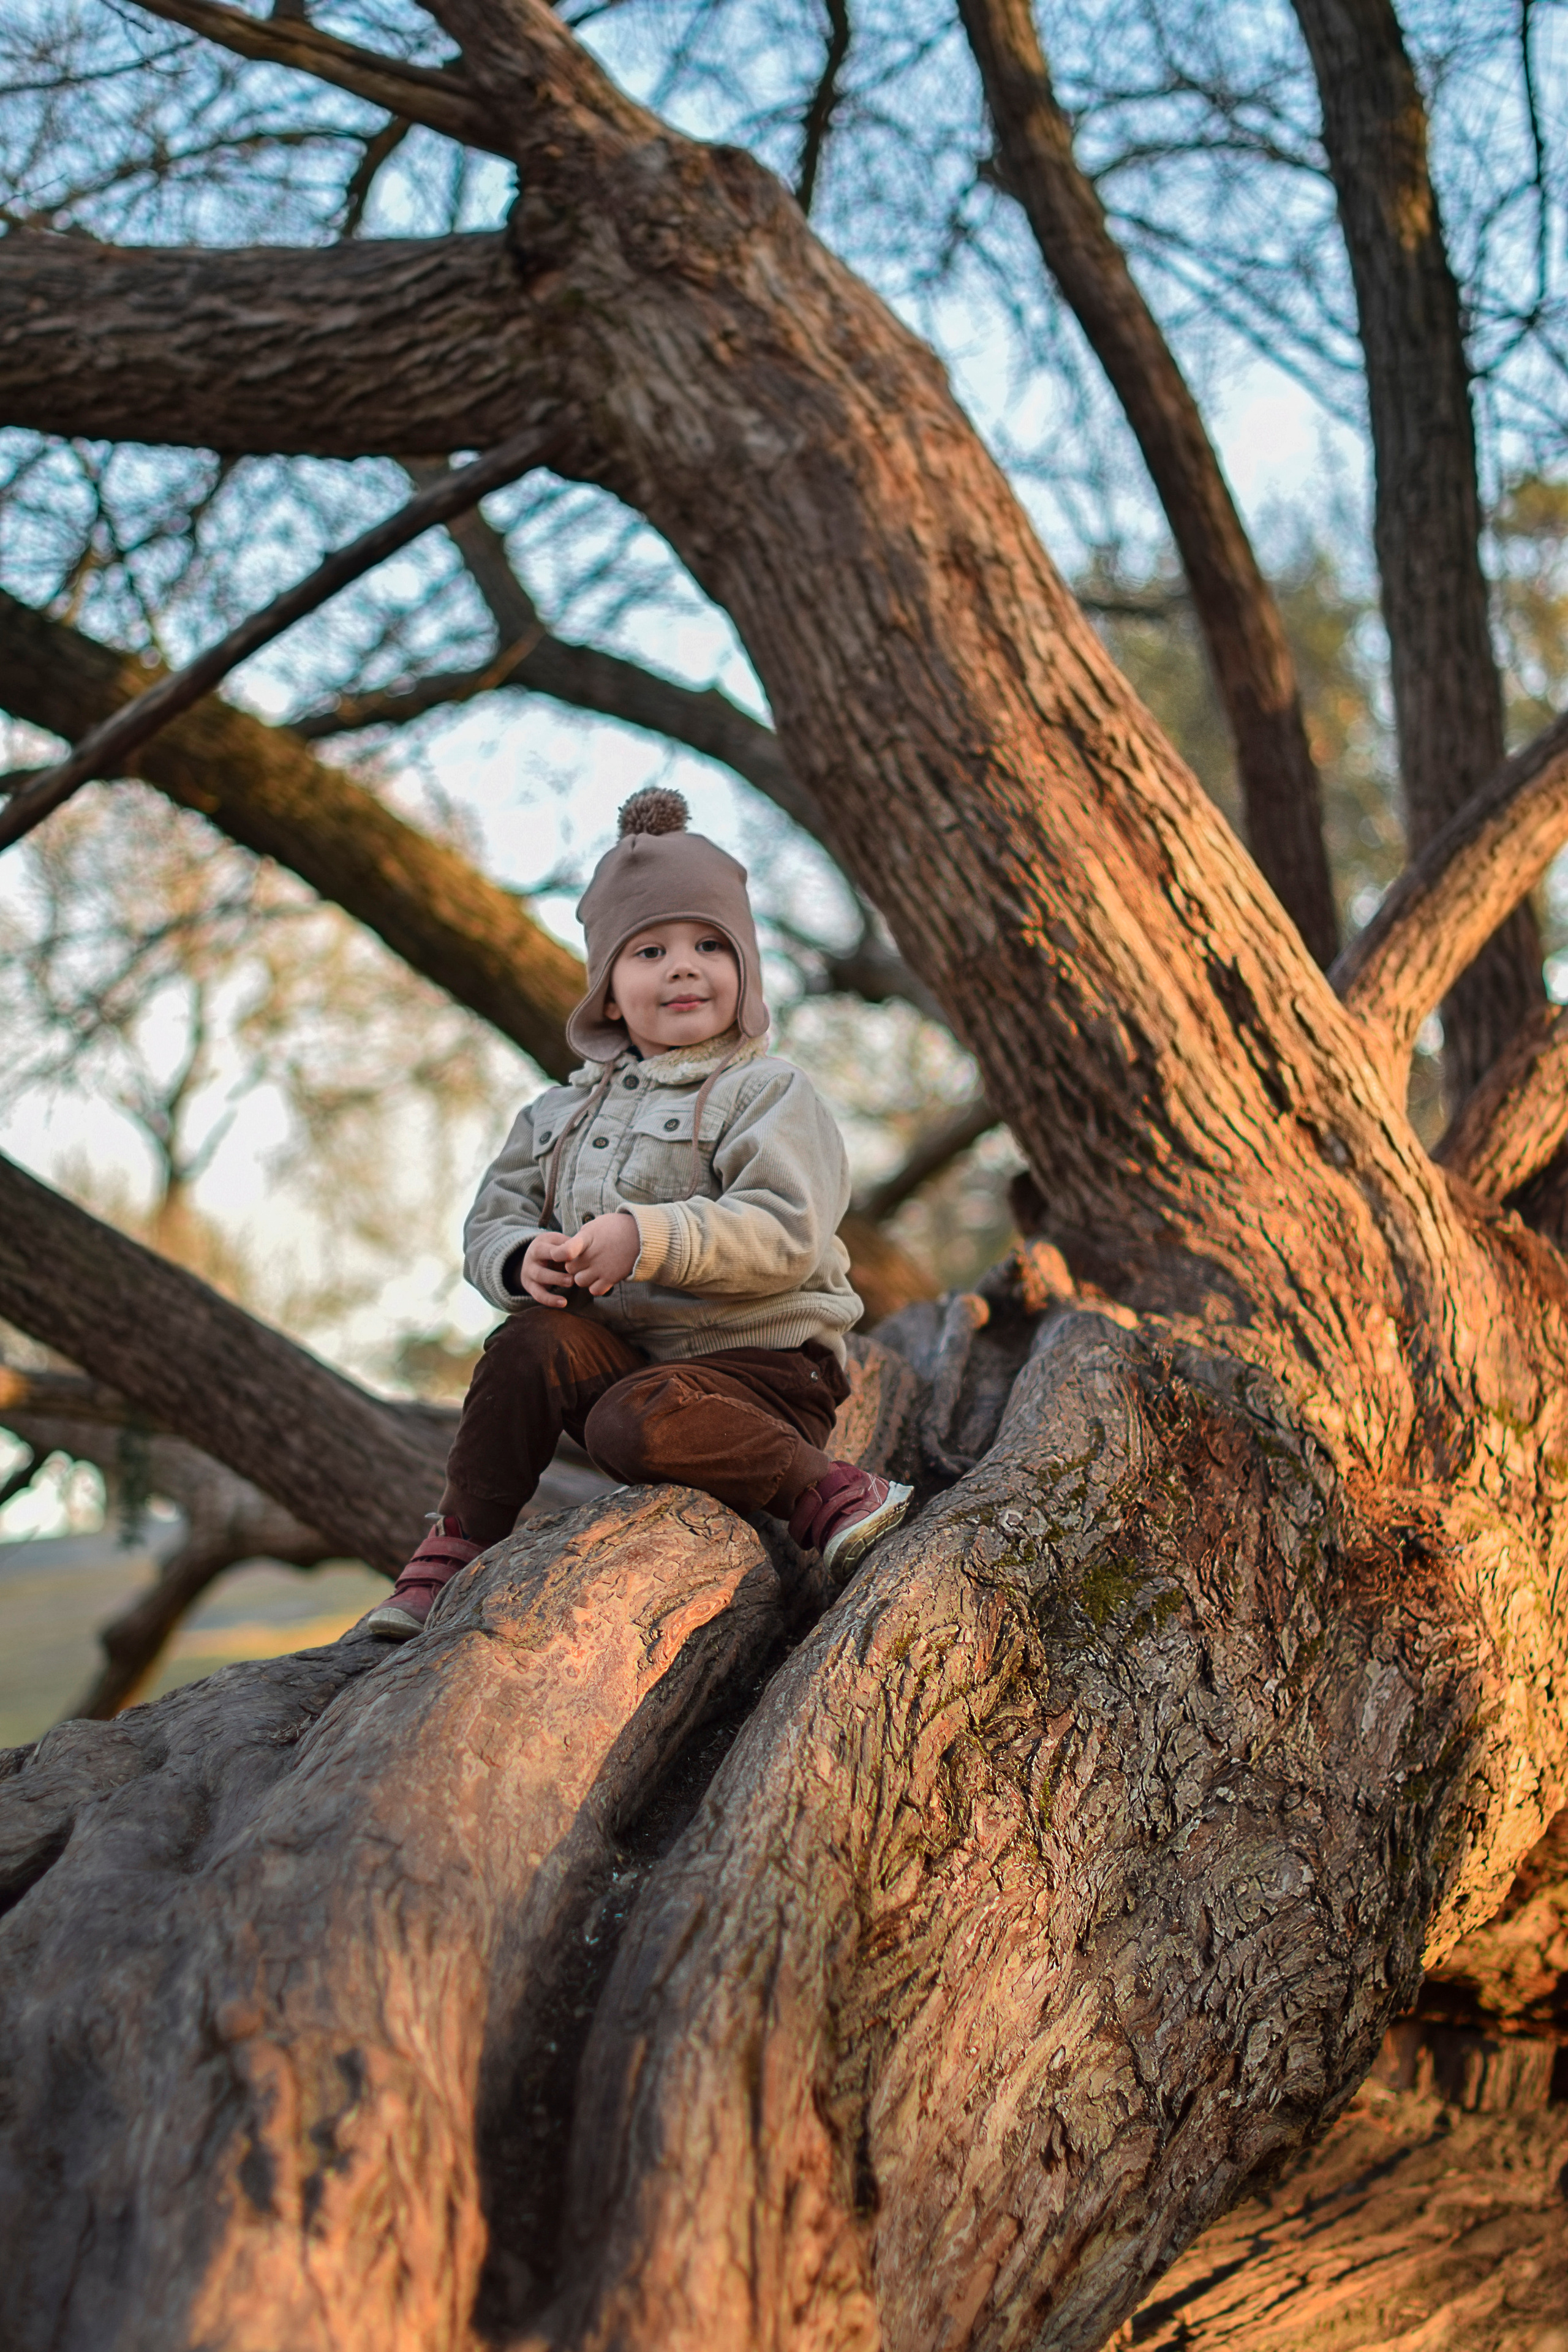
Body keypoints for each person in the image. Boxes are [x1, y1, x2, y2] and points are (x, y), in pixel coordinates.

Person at [364, 786, 913, 1640]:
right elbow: (488, 1223)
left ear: (744, 971)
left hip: (763, 1371)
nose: (684, 967)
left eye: (709, 946)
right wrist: (521, 1258)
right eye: (650, 951)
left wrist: (649, 1237)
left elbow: (786, 1231)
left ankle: (827, 1489)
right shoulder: (555, 1115)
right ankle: (457, 1547)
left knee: (632, 1420)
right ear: (609, 993)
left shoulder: (765, 1092)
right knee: (525, 1343)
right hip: (625, 1361)